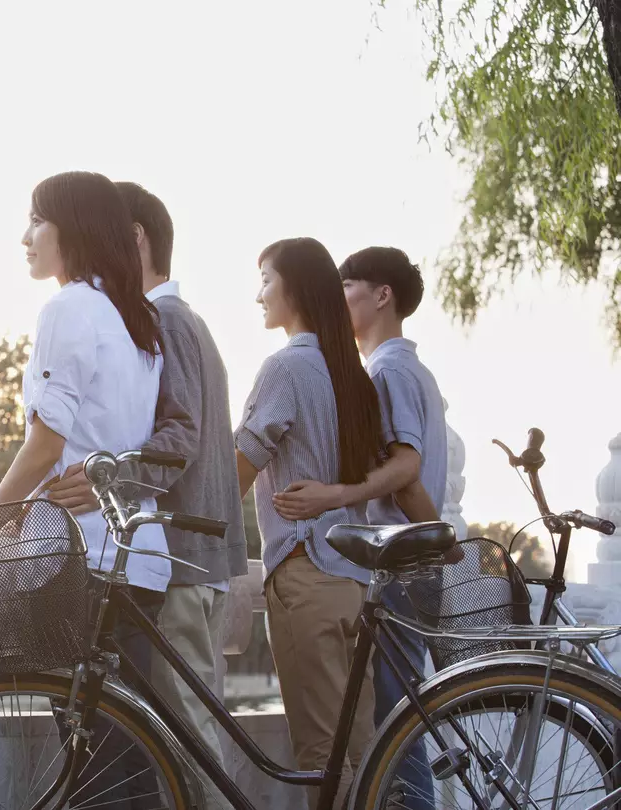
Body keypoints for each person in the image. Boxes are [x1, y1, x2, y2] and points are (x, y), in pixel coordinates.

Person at [0, 170, 169, 808]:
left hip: (80, 558)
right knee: (127, 757)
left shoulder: (67, 309)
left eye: (37, 220)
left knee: (96, 764)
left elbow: (46, 444)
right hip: (140, 556)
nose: (25, 237)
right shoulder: (135, 321)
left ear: (74, 229)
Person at [47, 182, 247, 807]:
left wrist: (112, 477)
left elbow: (181, 433)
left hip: (180, 556)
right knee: (181, 730)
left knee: (186, 737)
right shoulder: (185, 324)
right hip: (197, 556)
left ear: (134, 239)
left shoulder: (168, 320)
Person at [272, 246, 446, 810]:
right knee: (391, 732)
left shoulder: (388, 370)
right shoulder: (412, 369)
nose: (337, 296)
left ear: (382, 295)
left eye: (348, 285)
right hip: (411, 563)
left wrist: (337, 495)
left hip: (396, 565)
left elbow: (405, 470)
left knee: (393, 734)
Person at [235, 237, 385, 809]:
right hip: (354, 582)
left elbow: (237, 471)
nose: (259, 296)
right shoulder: (352, 374)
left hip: (304, 574)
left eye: (267, 281)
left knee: (321, 758)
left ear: (293, 288)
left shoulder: (286, 367)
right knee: (366, 754)